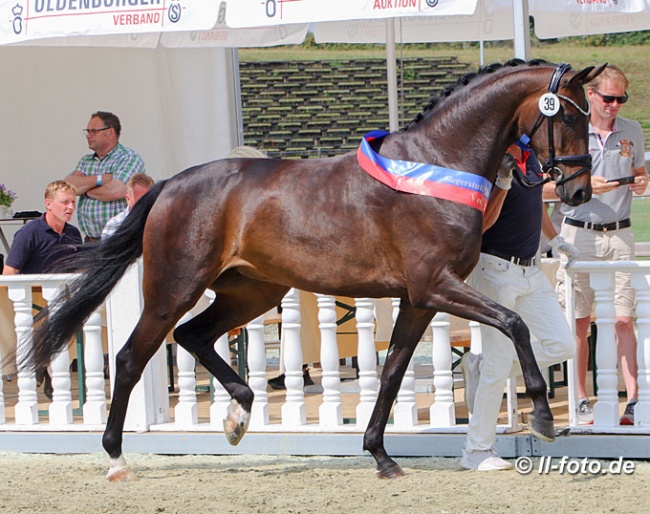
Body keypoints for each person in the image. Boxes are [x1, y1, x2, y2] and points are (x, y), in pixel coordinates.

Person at [460, 144, 578, 471]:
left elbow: (535, 203)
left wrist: (554, 240)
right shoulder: (494, 156)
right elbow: (481, 223)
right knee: (499, 364)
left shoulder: (531, 155)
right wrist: (501, 180)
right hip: (494, 269)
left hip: (532, 271)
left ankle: (484, 368)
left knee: (563, 345)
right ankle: (476, 452)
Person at [555, 65, 648, 426]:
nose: (614, 105)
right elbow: (545, 189)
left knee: (624, 319)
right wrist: (588, 186)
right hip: (578, 233)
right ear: (590, 95)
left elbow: (639, 172)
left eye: (620, 99)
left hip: (621, 233)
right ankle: (580, 398)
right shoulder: (570, 130)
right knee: (578, 322)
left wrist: (639, 183)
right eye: (608, 98)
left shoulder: (633, 131)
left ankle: (636, 399)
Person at [2, 180, 83, 398]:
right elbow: (10, 273)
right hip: (33, 301)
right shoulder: (28, 233)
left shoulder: (74, 234)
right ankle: (44, 364)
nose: (70, 207)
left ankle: (43, 364)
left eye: (73, 202)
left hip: (63, 298)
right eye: (64, 202)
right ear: (48, 203)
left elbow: (77, 270)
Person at [65, 111, 145, 242]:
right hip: (90, 242)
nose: (88, 136)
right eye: (87, 131)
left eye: (93, 131)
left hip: (119, 242)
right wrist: (102, 179)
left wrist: (85, 190)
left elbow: (117, 190)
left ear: (110, 132)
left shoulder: (128, 158)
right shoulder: (86, 161)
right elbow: (68, 187)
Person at [101, 173, 155, 239]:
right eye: (140, 201)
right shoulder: (115, 225)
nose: (145, 204)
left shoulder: (160, 223)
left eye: (149, 199)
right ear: (128, 199)